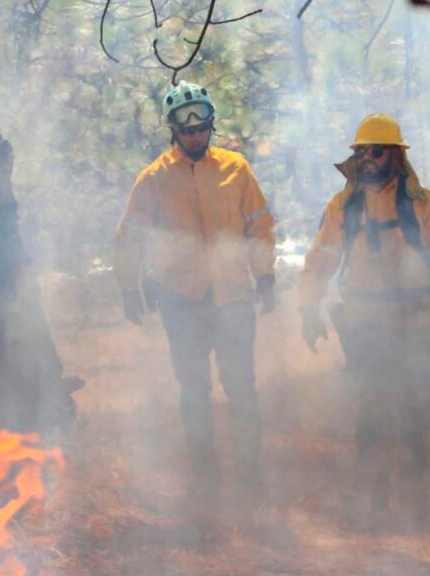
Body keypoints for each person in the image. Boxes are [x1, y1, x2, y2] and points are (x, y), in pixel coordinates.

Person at [297, 113, 430, 527]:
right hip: (363, 324)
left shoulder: (422, 204)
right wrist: (308, 308)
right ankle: (369, 504)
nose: (367, 158)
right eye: (361, 151)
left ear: (395, 155)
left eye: (375, 150)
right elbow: (321, 258)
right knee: (370, 412)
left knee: (416, 413)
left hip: (417, 319)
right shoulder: (344, 206)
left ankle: (417, 506)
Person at [115, 80, 276, 509]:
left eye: (201, 125)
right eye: (186, 128)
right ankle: (204, 478)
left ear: (210, 123)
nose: (194, 135)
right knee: (193, 388)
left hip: (232, 295)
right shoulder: (153, 178)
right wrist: (129, 286)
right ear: (172, 129)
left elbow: (259, 224)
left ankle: (251, 477)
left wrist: (266, 276)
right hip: (181, 298)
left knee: (241, 387)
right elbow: (129, 236)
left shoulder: (236, 168)